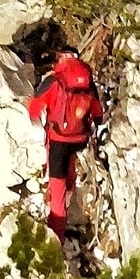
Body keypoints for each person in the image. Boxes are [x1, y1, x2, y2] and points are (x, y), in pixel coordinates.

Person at [26, 46, 104, 244]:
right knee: (69, 165)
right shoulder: (86, 80)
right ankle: (70, 199)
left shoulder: (54, 80)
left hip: (59, 140)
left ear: (60, 58)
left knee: (57, 184)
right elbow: (98, 113)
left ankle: (57, 232)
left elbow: (34, 110)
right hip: (80, 138)